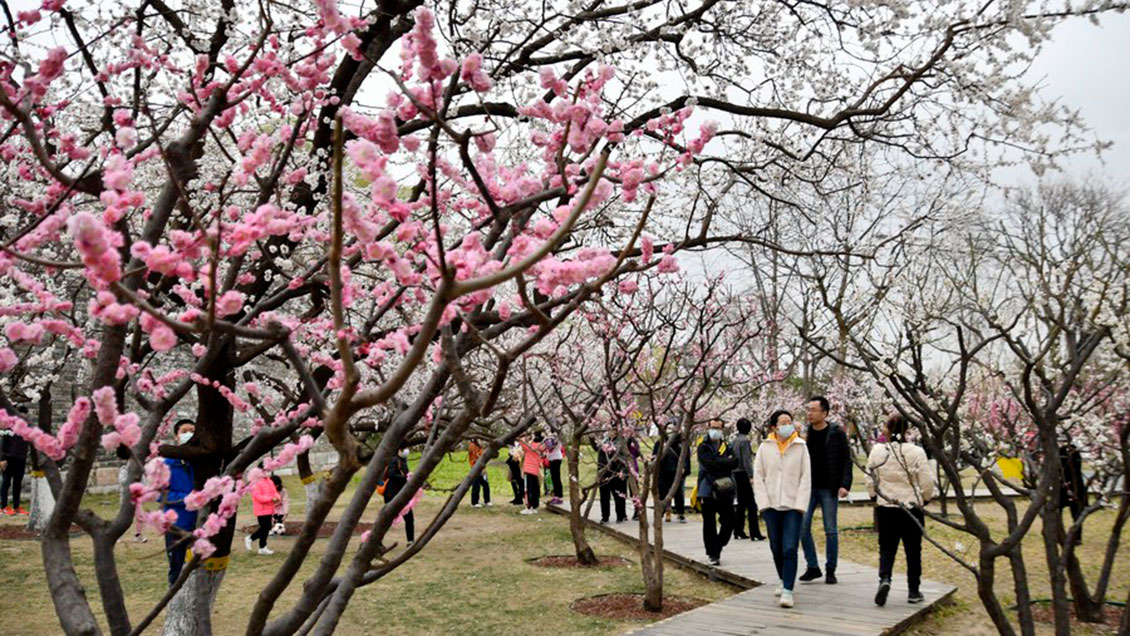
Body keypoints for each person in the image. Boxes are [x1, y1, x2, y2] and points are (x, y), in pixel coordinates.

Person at [866, 413, 935, 606]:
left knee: (887, 548)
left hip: (886, 506)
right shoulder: (916, 452)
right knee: (913, 550)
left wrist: (874, 495)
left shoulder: (878, 451)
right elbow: (926, 479)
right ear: (907, 431)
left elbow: (870, 477)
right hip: (911, 507)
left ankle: (885, 579)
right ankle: (914, 590)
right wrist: (926, 498)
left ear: (887, 429)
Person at [753, 409, 811, 608]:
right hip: (770, 506)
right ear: (774, 427)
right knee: (776, 547)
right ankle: (782, 578)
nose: (787, 425)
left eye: (790, 421)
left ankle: (788, 590)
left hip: (793, 506)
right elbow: (758, 476)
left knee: (790, 548)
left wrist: (800, 505)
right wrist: (763, 504)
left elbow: (806, 478)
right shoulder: (765, 447)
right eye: (782, 422)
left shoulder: (801, 446)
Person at [798, 395, 852, 585]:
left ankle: (831, 569)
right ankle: (813, 566)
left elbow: (846, 458)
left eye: (813, 410)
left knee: (830, 529)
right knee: (802, 527)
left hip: (829, 488)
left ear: (825, 413)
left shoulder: (836, 432)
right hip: (808, 488)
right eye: (808, 409)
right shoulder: (806, 433)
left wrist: (845, 484)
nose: (809, 413)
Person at [698, 418, 737, 566]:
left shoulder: (726, 445)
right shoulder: (703, 446)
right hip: (707, 489)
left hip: (725, 488)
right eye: (713, 427)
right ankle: (712, 553)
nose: (715, 430)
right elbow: (708, 466)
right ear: (708, 427)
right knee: (709, 523)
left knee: (730, 520)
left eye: (718, 428)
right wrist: (724, 462)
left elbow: (735, 462)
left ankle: (718, 545)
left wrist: (718, 461)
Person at [163, 420, 198, 584]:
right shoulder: (168, 464)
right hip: (177, 522)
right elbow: (161, 495)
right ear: (176, 436)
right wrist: (185, 498)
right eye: (184, 431)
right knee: (176, 567)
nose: (189, 434)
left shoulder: (200, 461)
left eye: (192, 430)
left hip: (200, 522)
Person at [732, 417, 765, 540]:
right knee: (751, 504)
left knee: (741, 504)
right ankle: (754, 532)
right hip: (743, 474)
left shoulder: (735, 440)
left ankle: (738, 530)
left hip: (735, 473)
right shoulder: (745, 441)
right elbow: (746, 460)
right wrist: (751, 475)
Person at [656, 430, 690, 523]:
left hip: (678, 473)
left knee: (679, 494)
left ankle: (680, 513)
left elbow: (686, 457)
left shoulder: (682, 443)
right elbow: (655, 456)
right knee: (663, 493)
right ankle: (663, 512)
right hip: (663, 472)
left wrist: (685, 468)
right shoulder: (660, 442)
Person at [596, 430, 628, 524]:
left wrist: (623, 470)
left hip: (617, 472)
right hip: (604, 472)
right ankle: (605, 516)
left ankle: (620, 516)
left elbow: (625, 457)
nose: (610, 432)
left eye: (612, 430)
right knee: (604, 496)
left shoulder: (621, 442)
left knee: (619, 496)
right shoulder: (604, 441)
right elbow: (597, 449)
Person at [245, 470, 280, 555]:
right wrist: (270, 499)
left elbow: (275, 492)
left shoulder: (269, 481)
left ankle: (262, 547)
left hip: (269, 508)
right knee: (265, 527)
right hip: (261, 509)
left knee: (267, 528)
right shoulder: (256, 482)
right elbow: (257, 496)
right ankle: (250, 538)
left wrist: (277, 497)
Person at [1, 427, 30, 515]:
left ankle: (16, 507)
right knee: (6, 482)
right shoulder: (9, 428)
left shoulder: (27, 428)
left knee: (17, 483)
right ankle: (4, 507)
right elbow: (2, 443)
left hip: (21, 459)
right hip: (8, 458)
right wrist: (2, 459)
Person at [519, 433, 546, 514]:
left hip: (528, 470)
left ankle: (528, 507)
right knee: (535, 489)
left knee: (527, 489)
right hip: (535, 470)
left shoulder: (529, 447)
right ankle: (534, 506)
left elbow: (521, 442)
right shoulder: (540, 448)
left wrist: (523, 435)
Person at [468, 437, 492, 507]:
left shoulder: (480, 447)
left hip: (482, 468)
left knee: (485, 484)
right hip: (475, 467)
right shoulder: (472, 446)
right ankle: (474, 502)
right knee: (476, 485)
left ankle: (487, 500)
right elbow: (477, 456)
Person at [544, 432, 564, 505]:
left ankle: (559, 497)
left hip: (556, 458)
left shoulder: (556, 436)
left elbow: (551, 445)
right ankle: (556, 496)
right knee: (554, 478)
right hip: (551, 458)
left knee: (556, 478)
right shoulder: (550, 435)